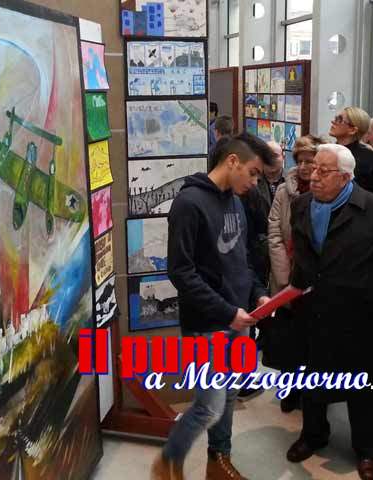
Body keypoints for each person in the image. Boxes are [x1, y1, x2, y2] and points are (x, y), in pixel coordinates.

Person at [151, 133, 274, 480]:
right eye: (252, 173)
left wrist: (259, 294)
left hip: (239, 320)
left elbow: (241, 259)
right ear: (232, 161)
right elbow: (181, 272)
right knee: (209, 405)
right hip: (208, 325)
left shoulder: (235, 202)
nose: (254, 182)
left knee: (229, 395)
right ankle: (168, 461)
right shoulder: (188, 204)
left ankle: (218, 460)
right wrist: (227, 312)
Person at [287, 144, 373, 480]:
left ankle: (366, 449)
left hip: (356, 312)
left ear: (346, 177)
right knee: (311, 376)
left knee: (361, 384)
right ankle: (313, 434)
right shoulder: (301, 204)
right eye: (312, 168)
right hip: (311, 308)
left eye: (324, 171)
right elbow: (301, 256)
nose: (313, 176)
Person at [265, 134, 325, 412]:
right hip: (288, 276)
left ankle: (315, 393)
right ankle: (290, 388)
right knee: (289, 338)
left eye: (310, 161)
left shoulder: (328, 191)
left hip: (318, 279)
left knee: (315, 339)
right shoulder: (284, 191)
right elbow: (275, 232)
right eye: (300, 161)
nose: (303, 167)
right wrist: (284, 275)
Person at [237, 140, 285, 400]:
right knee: (244, 326)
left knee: (246, 326)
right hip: (248, 266)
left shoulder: (250, 193)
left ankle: (244, 376)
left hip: (251, 267)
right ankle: (243, 377)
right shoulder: (249, 194)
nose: (254, 180)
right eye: (253, 173)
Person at [329, 106, 373, 198]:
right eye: (335, 118)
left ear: (352, 130)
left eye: (340, 119)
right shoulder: (326, 153)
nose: (333, 122)